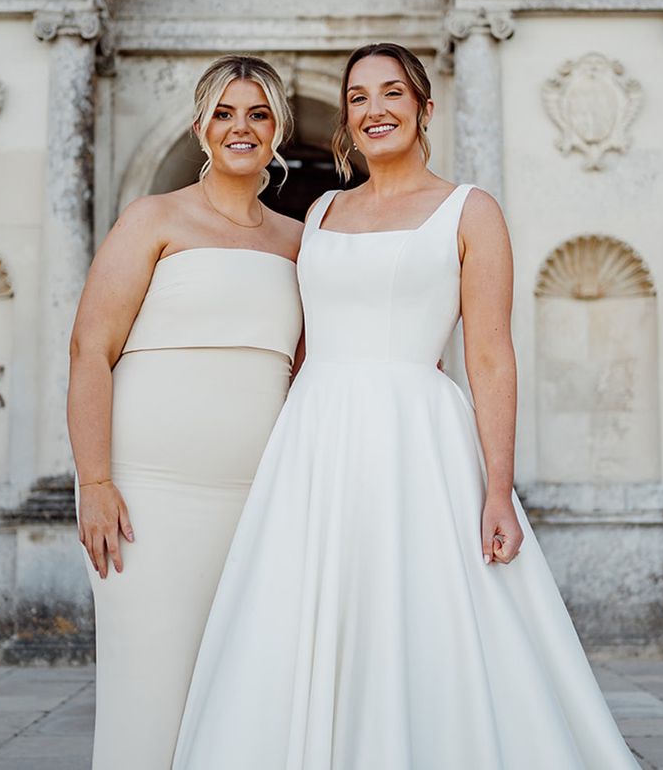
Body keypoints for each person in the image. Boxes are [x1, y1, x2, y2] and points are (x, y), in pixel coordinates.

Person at [173, 43, 638, 769]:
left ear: (424, 109)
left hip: (417, 438)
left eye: (392, 94)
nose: (374, 109)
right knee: (302, 618)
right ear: (347, 120)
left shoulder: (469, 211)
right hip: (315, 438)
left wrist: (496, 487)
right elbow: (291, 337)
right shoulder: (321, 210)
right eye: (358, 98)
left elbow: (488, 355)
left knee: (422, 616)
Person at [67, 55, 303, 770]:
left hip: (259, 499)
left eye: (257, 114)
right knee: (149, 692)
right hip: (149, 494)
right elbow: (88, 349)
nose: (241, 127)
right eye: (225, 113)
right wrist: (96, 483)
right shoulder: (154, 218)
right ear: (201, 127)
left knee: (244, 692)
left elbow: (316, 369)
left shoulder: (299, 241)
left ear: (278, 131)